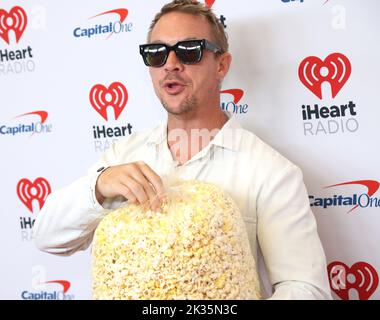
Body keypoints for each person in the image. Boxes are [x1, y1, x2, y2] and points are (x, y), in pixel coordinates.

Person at [33, 0, 332, 299]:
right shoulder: (122, 155)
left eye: (190, 50)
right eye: (157, 53)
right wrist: (98, 186)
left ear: (222, 65)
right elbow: (48, 237)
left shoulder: (269, 172)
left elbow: (306, 287)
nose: (171, 64)